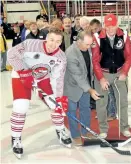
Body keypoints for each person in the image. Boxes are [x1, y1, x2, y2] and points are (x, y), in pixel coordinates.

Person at [7, 27, 72, 159]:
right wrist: (23, 70)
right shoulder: (31, 44)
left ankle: (60, 130)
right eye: (51, 40)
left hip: (42, 78)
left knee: (55, 105)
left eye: (58, 42)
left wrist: (59, 98)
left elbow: (58, 79)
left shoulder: (61, 57)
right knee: (21, 107)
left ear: (61, 43)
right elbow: (11, 54)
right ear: (47, 38)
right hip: (21, 76)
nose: (53, 44)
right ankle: (16, 139)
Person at [92, 14, 131, 138]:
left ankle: (125, 127)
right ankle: (103, 129)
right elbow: (95, 61)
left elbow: (129, 56)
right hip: (103, 73)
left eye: (113, 26)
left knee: (123, 102)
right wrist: (101, 78)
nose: (110, 29)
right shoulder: (97, 37)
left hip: (120, 73)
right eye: (108, 26)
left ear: (117, 25)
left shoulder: (124, 36)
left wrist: (124, 73)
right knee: (101, 103)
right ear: (104, 25)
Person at [64, 30, 100, 145]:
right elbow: (77, 76)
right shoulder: (70, 53)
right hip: (73, 86)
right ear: (78, 41)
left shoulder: (87, 48)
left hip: (86, 84)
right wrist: (90, 89)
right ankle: (75, 134)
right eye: (87, 44)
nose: (89, 47)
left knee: (85, 109)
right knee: (72, 111)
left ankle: (86, 130)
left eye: (91, 44)